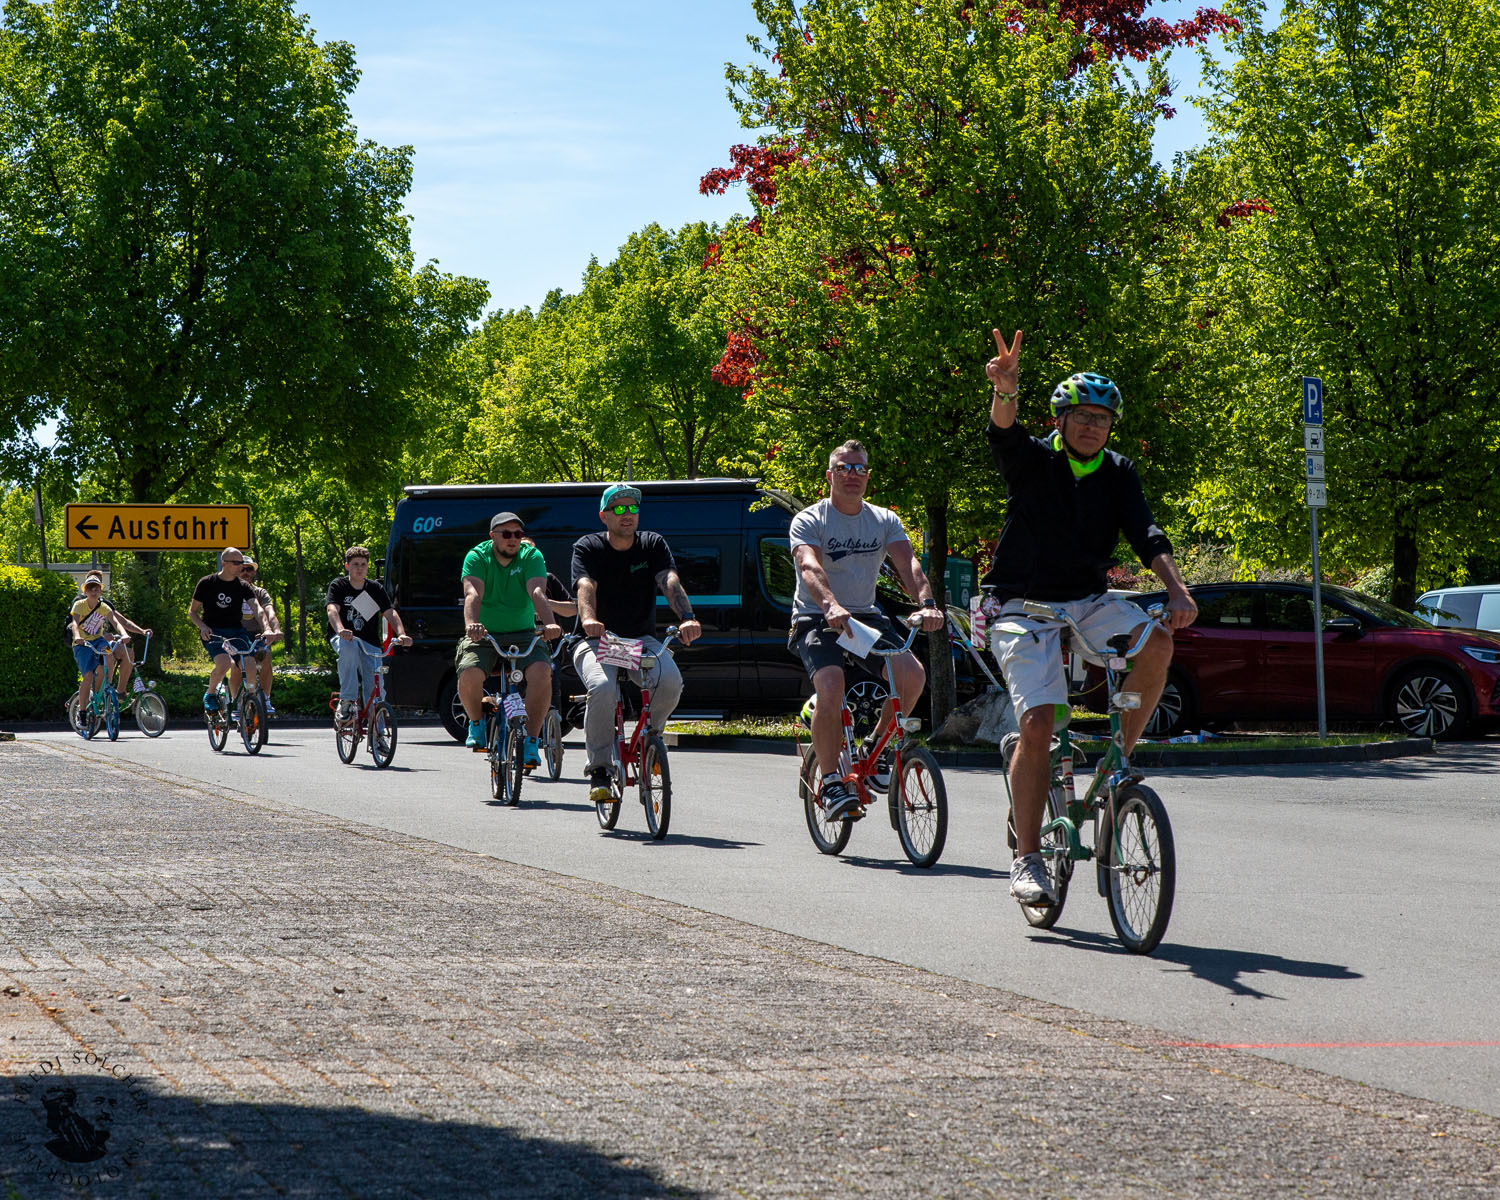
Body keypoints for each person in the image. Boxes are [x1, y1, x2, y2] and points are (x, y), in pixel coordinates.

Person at [982, 328, 1197, 908]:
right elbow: (1004, 436)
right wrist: (1006, 391)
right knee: (1041, 722)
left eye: (1101, 418)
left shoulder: (1119, 472)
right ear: (1060, 420)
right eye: (1080, 415)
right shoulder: (1033, 460)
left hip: (1087, 600)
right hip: (1022, 604)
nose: (1091, 425)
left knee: (1155, 645)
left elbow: (1146, 533)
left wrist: (1176, 590)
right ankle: (1027, 859)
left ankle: (1122, 755)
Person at [788, 440, 947, 821]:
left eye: (859, 468)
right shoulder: (810, 519)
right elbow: (809, 566)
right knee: (830, 684)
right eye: (843, 468)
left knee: (911, 676)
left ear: (868, 477)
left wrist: (926, 604)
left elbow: (909, 565)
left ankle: (873, 748)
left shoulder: (883, 520)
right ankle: (830, 782)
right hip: (816, 617)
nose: (852, 475)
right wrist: (830, 605)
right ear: (829, 476)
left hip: (864, 618)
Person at [572, 484, 702, 803]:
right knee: (602, 688)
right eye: (618, 509)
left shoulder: (652, 543)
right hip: (597, 639)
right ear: (604, 516)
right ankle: (600, 770)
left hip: (638, 641)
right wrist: (589, 619)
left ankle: (649, 739)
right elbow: (585, 585)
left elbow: (668, 580)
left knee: (669, 681)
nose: (626, 514)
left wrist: (687, 616)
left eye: (632, 508)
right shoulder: (588, 546)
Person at [456, 513, 563, 757]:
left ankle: (531, 742)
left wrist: (549, 624)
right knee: (469, 671)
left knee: (542, 672)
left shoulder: (531, 556)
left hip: (523, 633)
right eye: (506, 534)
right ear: (492, 536)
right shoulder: (477, 556)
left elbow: (537, 591)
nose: (513, 539)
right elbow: (473, 593)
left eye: (517, 534)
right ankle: (476, 724)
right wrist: (472, 624)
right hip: (484, 633)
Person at [326, 545, 412, 720]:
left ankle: (378, 734)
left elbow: (390, 613)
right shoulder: (339, 585)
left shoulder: (375, 589)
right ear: (347, 566)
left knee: (376, 688)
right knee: (348, 647)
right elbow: (332, 610)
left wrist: (401, 634)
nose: (359, 568)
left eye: (363, 564)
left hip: (369, 642)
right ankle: (347, 700)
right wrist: (341, 630)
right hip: (343, 637)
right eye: (355, 564)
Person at [187, 547, 269, 712]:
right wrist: (202, 626)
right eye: (236, 563)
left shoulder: (243, 586)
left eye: (242, 563)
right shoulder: (207, 583)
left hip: (236, 632)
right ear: (223, 563)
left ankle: (250, 703)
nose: (241, 566)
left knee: (250, 664)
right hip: (214, 632)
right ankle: (210, 693)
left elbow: (257, 609)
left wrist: (267, 628)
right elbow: (192, 612)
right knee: (225, 663)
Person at [68, 573, 150, 732]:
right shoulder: (79, 605)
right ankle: (82, 712)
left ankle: (109, 689)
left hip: (99, 641)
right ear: (85, 590)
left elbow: (119, 623)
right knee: (88, 676)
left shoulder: (104, 606)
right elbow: (75, 624)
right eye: (90, 588)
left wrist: (125, 634)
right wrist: (77, 637)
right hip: (82, 644)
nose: (94, 591)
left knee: (109, 654)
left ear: (100, 590)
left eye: (97, 588)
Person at [233, 556, 284, 716]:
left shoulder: (260, 593)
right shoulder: (229, 592)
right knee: (237, 665)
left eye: (249, 569)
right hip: (235, 635)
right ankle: (236, 701)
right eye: (242, 569)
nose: (246, 573)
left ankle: (266, 699)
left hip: (256, 636)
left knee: (266, 656)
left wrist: (276, 630)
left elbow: (269, 612)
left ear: (254, 572)